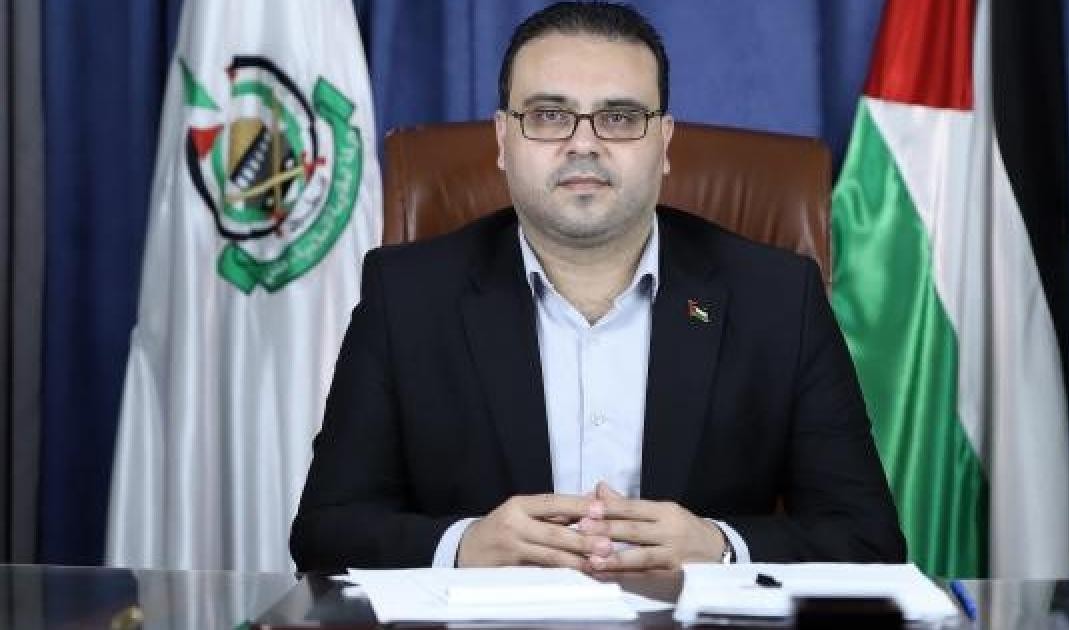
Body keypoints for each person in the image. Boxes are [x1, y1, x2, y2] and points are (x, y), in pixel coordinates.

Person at [290, 1, 905, 572]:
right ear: (503, 140)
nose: (583, 143)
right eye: (549, 116)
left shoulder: (778, 299)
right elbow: (324, 533)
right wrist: (462, 545)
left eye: (619, 118)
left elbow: (868, 539)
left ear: (664, 142)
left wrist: (721, 549)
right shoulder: (406, 297)